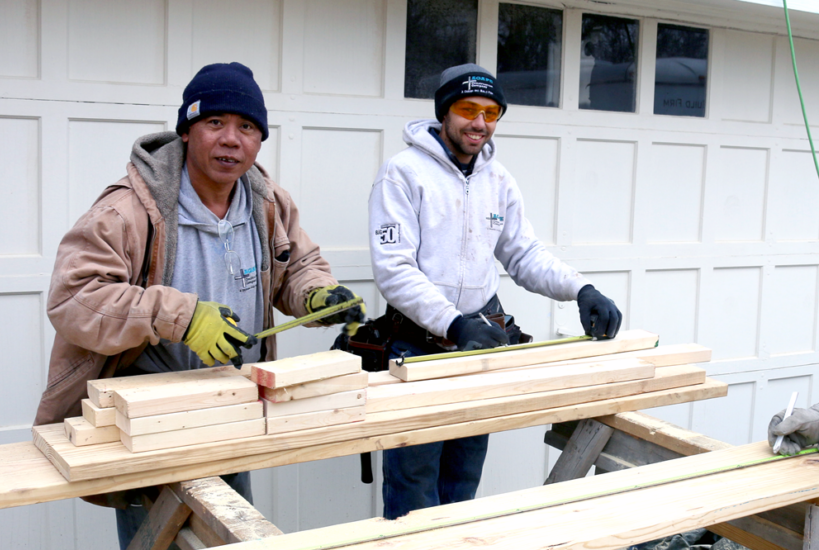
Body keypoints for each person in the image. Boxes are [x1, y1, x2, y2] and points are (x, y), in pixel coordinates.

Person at [33, 62, 364, 548]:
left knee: (233, 537)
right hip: (147, 418)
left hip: (235, 411)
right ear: (187, 131)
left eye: (247, 127)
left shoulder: (267, 202)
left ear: (259, 140)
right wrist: (181, 318)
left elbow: (297, 265)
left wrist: (315, 293)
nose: (232, 139)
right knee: (159, 540)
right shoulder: (128, 209)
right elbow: (75, 297)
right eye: (215, 123)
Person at [368, 63, 621, 520]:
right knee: (413, 494)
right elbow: (393, 270)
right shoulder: (402, 173)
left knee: (462, 484)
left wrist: (581, 289)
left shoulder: (498, 180)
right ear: (444, 112)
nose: (480, 123)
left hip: (478, 348)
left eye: (491, 112)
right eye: (468, 109)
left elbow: (523, 254)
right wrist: (453, 322)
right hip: (419, 348)